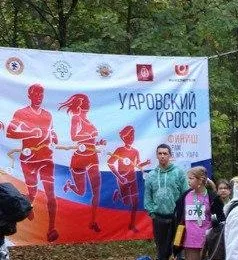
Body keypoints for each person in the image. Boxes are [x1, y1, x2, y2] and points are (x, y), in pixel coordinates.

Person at [5, 84, 58, 242]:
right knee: (33, 193)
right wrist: (30, 132)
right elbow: (10, 132)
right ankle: (26, 208)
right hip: (29, 158)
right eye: (36, 94)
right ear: (30, 95)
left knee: (51, 194)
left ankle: (51, 229)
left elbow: (51, 130)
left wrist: (54, 137)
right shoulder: (21, 113)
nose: (39, 96)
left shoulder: (48, 115)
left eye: (41, 94)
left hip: (47, 157)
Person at [57, 93, 105, 233]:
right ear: (80, 104)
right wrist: (89, 136)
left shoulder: (88, 120)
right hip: (80, 158)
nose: (89, 103)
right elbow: (74, 136)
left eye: (89, 101)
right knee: (81, 191)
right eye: (86, 101)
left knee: (97, 191)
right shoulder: (76, 118)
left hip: (92, 157)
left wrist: (98, 142)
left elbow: (91, 140)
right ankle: (70, 185)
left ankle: (93, 221)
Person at [174, 167, 224, 260]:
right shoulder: (185, 196)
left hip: (207, 242)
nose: (188, 181)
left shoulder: (212, 198)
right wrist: (177, 239)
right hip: (189, 241)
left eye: (191, 178)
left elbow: (221, 221)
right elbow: (179, 218)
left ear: (200, 180)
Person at [144, 144, 188, 260]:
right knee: (161, 249)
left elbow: (186, 194)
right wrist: (152, 213)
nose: (162, 156)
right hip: (159, 218)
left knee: (180, 247)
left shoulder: (178, 172)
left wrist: (182, 214)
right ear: (157, 155)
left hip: (177, 219)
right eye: (160, 153)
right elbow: (147, 197)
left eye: (165, 153)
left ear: (170, 155)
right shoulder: (151, 175)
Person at [107, 126, 150, 233]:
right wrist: (119, 177)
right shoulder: (120, 150)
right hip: (122, 179)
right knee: (127, 202)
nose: (131, 138)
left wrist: (145, 163)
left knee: (135, 202)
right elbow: (110, 162)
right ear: (123, 138)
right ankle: (118, 194)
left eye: (132, 135)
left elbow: (137, 165)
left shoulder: (135, 151)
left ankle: (132, 225)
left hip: (132, 178)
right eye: (128, 136)